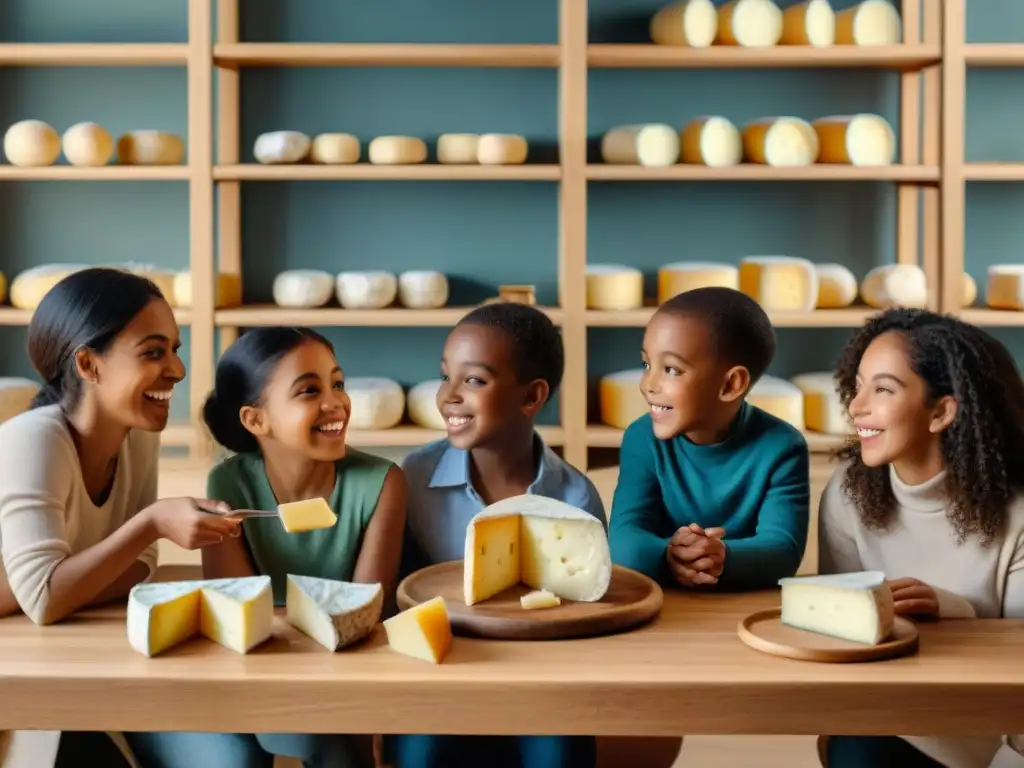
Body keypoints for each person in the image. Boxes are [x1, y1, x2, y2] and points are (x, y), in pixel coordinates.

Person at [124, 326, 407, 768]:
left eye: (337, 383)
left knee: (342, 752)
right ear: (256, 420)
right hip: (250, 665)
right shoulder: (229, 484)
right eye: (309, 390)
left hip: (343, 672)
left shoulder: (382, 483)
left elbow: (364, 611)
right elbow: (235, 609)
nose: (335, 403)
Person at [0, 267, 241, 767]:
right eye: (154, 352)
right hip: (23, 671)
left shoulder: (137, 435)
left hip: (80, 652)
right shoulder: (32, 439)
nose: (177, 369)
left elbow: (142, 567)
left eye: (174, 349)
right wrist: (149, 522)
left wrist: (58, 586)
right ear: (88, 364)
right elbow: (46, 599)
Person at [393, 302, 604, 768]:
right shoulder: (413, 478)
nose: (448, 395)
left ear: (532, 397)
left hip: (544, 682)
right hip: (441, 676)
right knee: (418, 754)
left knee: (559, 754)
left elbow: (588, 617)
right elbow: (400, 594)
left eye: (473, 381)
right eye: (445, 375)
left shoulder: (575, 499)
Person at [817, 308, 1024, 768]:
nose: (856, 406)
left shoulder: (1018, 514)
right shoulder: (846, 494)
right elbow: (838, 636)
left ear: (942, 411)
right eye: (859, 385)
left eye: (883, 389)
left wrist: (957, 611)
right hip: (882, 720)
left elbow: (1017, 673)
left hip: (990, 736)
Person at [609, 286, 810, 591]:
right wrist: (669, 555)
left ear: (731, 384)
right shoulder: (641, 438)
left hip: (743, 610)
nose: (648, 384)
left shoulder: (783, 447)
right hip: (665, 608)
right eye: (647, 364)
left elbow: (783, 551)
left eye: (672, 369)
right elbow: (624, 543)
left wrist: (722, 556)